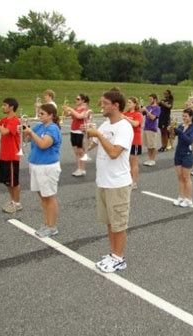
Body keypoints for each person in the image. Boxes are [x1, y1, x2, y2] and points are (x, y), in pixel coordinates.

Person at [86, 89, 133, 273]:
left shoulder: (124, 127)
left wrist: (98, 135)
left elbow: (114, 153)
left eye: (105, 103)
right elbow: (93, 146)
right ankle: (113, 254)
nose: (101, 106)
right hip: (103, 182)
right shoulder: (105, 124)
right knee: (109, 222)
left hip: (118, 183)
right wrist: (88, 136)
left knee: (118, 223)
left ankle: (119, 258)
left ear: (115, 105)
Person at [24, 104, 62, 237]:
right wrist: (24, 131)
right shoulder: (40, 126)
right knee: (43, 197)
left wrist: (31, 133)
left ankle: (52, 226)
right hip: (36, 164)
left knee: (49, 197)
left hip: (47, 167)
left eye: (42, 114)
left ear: (51, 115)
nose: (39, 116)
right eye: (39, 114)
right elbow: (27, 139)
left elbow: (43, 144)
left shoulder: (53, 128)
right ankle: (46, 223)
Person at [0, 98, 22, 213]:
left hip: (12, 156)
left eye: (4, 105)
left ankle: (17, 203)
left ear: (11, 107)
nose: (2, 107)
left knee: (14, 182)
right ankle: (12, 200)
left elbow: (5, 132)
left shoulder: (15, 120)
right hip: (3, 155)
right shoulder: (4, 120)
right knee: (7, 182)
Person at [172, 108, 193, 208]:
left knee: (186, 177)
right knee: (180, 177)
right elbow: (175, 136)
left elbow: (189, 140)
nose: (183, 118)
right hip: (178, 153)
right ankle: (181, 196)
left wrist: (180, 132)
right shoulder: (181, 126)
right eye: (183, 116)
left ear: (191, 117)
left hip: (187, 154)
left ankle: (189, 198)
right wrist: (172, 131)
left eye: (186, 116)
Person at [64, 94, 90, 177]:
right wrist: (65, 109)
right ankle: (78, 168)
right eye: (76, 99)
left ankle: (82, 169)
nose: (76, 100)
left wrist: (70, 109)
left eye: (78, 99)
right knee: (76, 151)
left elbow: (79, 116)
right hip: (73, 130)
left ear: (83, 101)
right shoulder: (76, 109)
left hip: (80, 132)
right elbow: (68, 115)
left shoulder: (86, 109)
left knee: (80, 151)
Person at [123, 97, 143, 189]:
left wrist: (126, 118)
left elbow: (136, 124)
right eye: (127, 102)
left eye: (130, 102)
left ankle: (134, 182)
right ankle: (127, 180)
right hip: (126, 140)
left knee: (133, 162)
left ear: (135, 104)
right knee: (126, 162)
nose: (128, 104)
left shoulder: (138, 114)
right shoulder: (125, 113)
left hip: (135, 141)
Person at [142, 94, 161, 166]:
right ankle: (149, 159)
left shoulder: (157, 108)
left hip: (152, 128)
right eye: (149, 99)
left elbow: (153, 118)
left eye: (151, 99)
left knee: (152, 145)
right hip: (146, 127)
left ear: (155, 99)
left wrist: (146, 110)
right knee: (148, 145)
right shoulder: (148, 107)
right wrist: (141, 108)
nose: (149, 101)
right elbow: (142, 113)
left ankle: (152, 160)